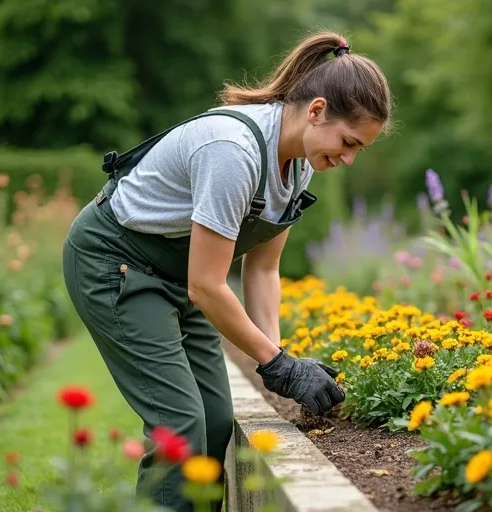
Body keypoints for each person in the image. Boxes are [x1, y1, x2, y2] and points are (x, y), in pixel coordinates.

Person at [61, 30, 393, 512]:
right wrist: (277, 363)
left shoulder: (298, 166)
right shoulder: (233, 151)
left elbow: (263, 270)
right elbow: (206, 285)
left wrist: (279, 363)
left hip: (176, 274)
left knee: (217, 422)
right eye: (347, 142)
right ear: (317, 110)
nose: (348, 158)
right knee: (179, 428)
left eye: (358, 149)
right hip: (115, 261)